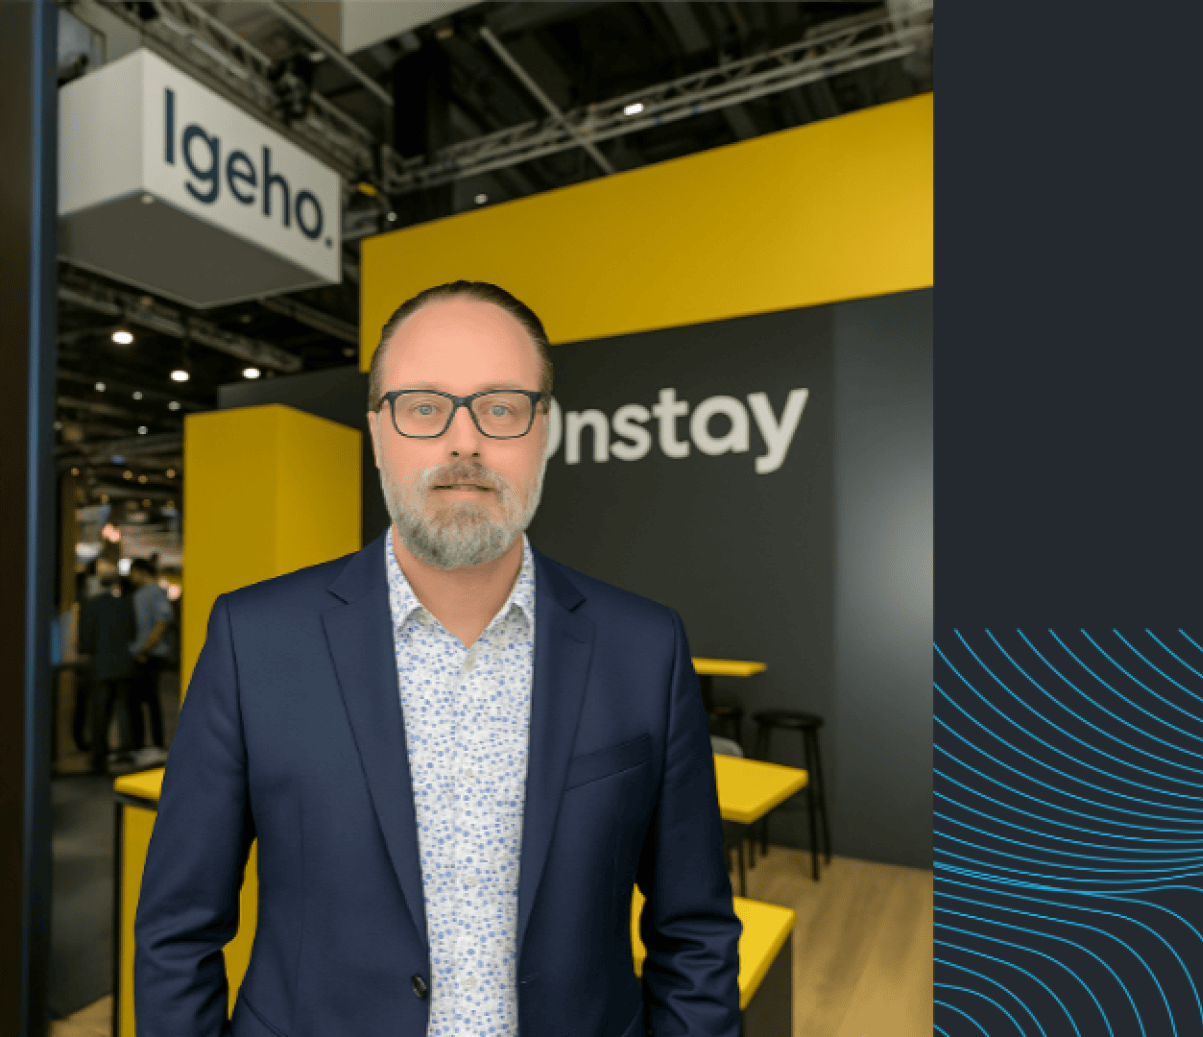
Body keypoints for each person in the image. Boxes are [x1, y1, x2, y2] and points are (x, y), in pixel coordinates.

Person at [135, 281, 741, 1037]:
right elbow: (177, 930)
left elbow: (696, 936)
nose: (465, 442)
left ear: (542, 429)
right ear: (378, 430)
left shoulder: (645, 647)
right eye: (424, 406)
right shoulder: (252, 638)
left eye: (501, 406)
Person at [75, 565, 137, 774]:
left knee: (100, 714)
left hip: (100, 666)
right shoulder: (125, 605)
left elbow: (85, 643)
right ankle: (127, 754)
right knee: (124, 710)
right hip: (124, 665)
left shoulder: (90, 606)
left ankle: (99, 758)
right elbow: (132, 633)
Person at [124, 556, 173, 766]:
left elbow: (162, 621)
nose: (131, 577)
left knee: (142, 701)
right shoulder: (150, 592)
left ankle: (149, 747)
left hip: (148, 655)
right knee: (145, 701)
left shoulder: (153, 592)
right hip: (147, 653)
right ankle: (149, 746)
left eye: (133, 572)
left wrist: (145, 648)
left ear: (141, 572)